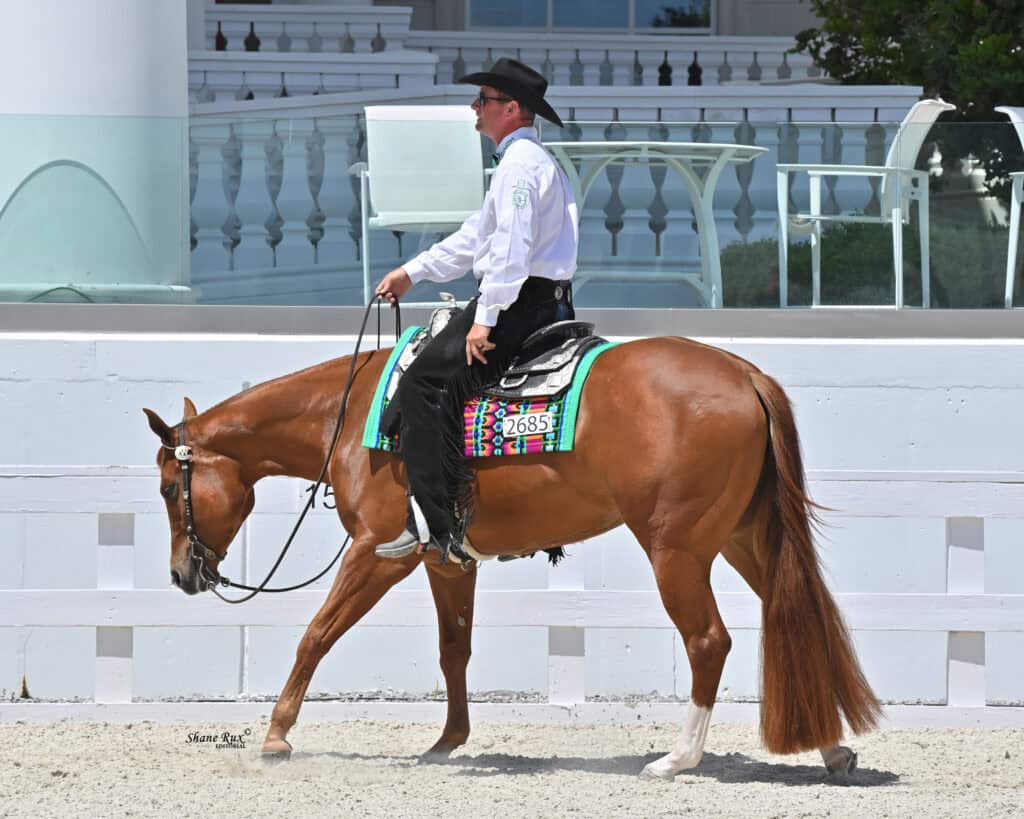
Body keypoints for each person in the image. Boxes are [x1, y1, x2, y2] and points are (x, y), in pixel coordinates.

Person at [374, 58, 579, 562]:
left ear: (512, 109)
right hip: (536, 299)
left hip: (517, 305)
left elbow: (510, 245)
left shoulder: (519, 166)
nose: (474, 108)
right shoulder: (524, 164)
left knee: (423, 384)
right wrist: (413, 272)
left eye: (483, 100)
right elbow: (478, 237)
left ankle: (434, 520)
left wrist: (486, 318)